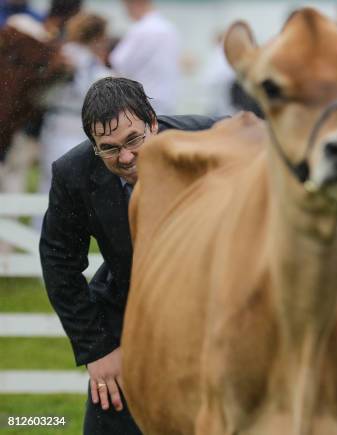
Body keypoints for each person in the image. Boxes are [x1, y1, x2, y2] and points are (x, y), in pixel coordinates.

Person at [39, 77, 218, 434]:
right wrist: (97, 351)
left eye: (134, 140)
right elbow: (59, 260)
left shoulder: (210, 142)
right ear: (93, 146)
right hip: (130, 309)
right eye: (108, 148)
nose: (125, 157)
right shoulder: (72, 174)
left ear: (153, 122)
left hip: (215, 308)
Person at [38, 12, 112, 200]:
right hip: (70, 123)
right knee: (68, 184)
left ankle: (41, 226)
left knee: (49, 183)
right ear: (98, 36)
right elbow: (90, 90)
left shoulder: (62, 53)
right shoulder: (76, 58)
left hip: (58, 125)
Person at [109, 0, 180, 115]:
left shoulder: (141, 29)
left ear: (135, 4)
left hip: (141, 101)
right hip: (166, 100)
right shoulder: (169, 28)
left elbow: (119, 63)